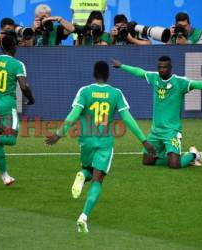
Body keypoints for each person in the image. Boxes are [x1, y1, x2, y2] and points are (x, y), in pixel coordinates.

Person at [45, 61, 155, 232]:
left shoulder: (85, 91)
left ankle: (82, 174)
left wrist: (59, 134)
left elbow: (74, 114)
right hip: (104, 144)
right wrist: (144, 141)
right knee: (98, 179)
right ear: (108, 75)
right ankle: (83, 216)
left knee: (88, 170)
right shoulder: (116, 93)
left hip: (86, 141)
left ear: (94, 74)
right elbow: (127, 119)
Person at [112, 56, 202, 168]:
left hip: (171, 131)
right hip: (155, 131)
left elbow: (199, 85)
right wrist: (122, 66)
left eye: (164, 67)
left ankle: (194, 155)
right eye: (159, 67)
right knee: (147, 161)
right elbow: (140, 73)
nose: (161, 70)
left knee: (175, 165)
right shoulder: (155, 78)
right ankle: (172, 157)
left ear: (170, 67)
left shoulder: (180, 82)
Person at [0, 35, 35, 185]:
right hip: (8, 107)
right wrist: (31, 99)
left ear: (1, 47)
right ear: (14, 47)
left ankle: (5, 175)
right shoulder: (17, 64)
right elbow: (24, 86)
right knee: (11, 138)